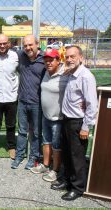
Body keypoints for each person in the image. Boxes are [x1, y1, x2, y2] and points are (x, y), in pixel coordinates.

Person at [51, 46, 98, 201]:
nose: (69, 59)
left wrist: (86, 127)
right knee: (66, 153)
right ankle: (66, 180)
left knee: (76, 156)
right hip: (67, 119)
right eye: (68, 57)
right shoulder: (71, 73)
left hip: (78, 122)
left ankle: (77, 188)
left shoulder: (86, 77)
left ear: (81, 58)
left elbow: (92, 104)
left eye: (73, 56)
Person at [30, 49, 68, 182]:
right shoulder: (46, 72)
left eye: (51, 60)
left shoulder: (65, 74)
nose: (48, 63)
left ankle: (55, 170)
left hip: (58, 117)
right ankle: (46, 165)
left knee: (57, 145)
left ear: (58, 60)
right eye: (46, 60)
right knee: (46, 141)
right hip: (46, 115)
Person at [11, 35, 46, 170]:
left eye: (30, 45)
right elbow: (5, 49)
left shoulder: (44, 59)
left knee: (37, 132)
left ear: (37, 44)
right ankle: (20, 155)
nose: (28, 48)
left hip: (37, 103)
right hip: (23, 102)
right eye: (25, 45)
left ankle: (34, 157)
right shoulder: (21, 55)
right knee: (22, 131)